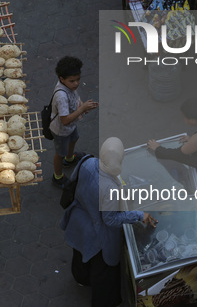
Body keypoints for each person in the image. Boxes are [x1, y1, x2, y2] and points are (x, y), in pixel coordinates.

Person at [60, 137, 157, 307]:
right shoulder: (109, 188)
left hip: (79, 220)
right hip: (98, 235)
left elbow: (74, 183)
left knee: (81, 253)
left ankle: (81, 278)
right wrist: (139, 215)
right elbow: (110, 219)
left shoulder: (88, 162)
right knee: (103, 272)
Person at [147, 97, 197, 188]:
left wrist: (158, 148)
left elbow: (177, 154)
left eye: (184, 117)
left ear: (192, 120)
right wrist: (193, 141)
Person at [49, 56, 99, 188]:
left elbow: (75, 98)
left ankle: (70, 159)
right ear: (62, 79)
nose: (76, 84)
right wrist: (82, 109)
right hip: (61, 130)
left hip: (71, 127)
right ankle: (58, 176)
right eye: (72, 81)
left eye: (78, 80)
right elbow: (64, 120)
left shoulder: (68, 86)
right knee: (60, 154)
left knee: (74, 139)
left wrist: (82, 106)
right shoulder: (61, 96)